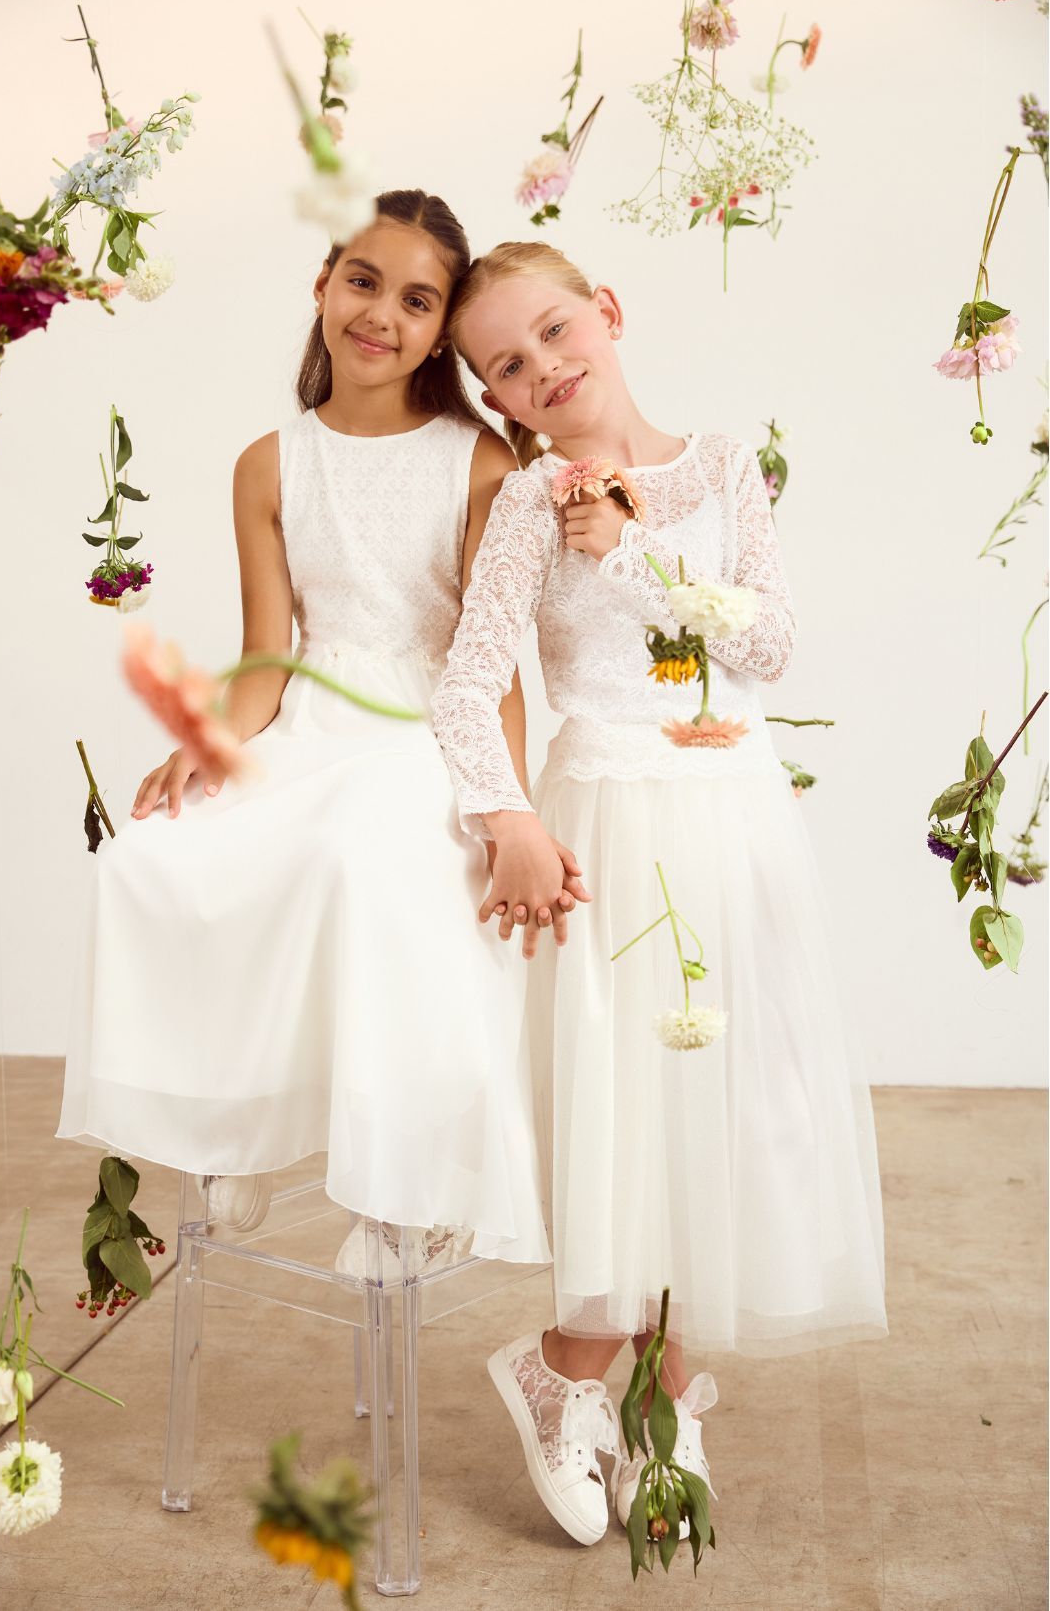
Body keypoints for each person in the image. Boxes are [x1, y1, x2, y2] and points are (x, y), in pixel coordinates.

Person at [431, 241, 888, 1545]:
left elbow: (768, 646)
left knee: (720, 1113)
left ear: (609, 312)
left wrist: (634, 549)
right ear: (496, 398)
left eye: (556, 330)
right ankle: (590, 1374)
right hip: (611, 823)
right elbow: (466, 689)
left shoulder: (724, 466)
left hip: (733, 818)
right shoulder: (529, 504)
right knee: (628, 1109)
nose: (544, 367)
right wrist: (508, 817)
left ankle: (654, 1389)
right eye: (507, 365)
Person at [57, 195, 572, 1271]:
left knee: (357, 852)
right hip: (310, 721)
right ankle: (233, 1128)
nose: (382, 314)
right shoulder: (269, 463)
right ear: (324, 285)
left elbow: (494, 668)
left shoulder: (478, 463)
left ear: (441, 333)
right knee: (155, 856)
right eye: (363, 282)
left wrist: (507, 809)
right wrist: (205, 743)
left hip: (427, 730)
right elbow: (267, 655)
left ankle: (409, 1186)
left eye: (418, 301)